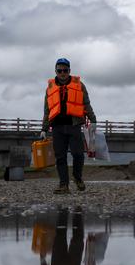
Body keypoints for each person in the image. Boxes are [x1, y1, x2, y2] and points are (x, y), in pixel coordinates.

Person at [40, 57, 97, 194]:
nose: (62, 73)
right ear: (56, 71)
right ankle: (63, 185)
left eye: (65, 70)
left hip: (74, 126)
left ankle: (77, 178)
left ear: (69, 71)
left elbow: (86, 104)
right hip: (57, 128)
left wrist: (93, 120)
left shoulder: (79, 85)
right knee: (60, 157)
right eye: (60, 70)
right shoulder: (50, 87)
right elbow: (47, 110)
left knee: (78, 154)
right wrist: (44, 129)